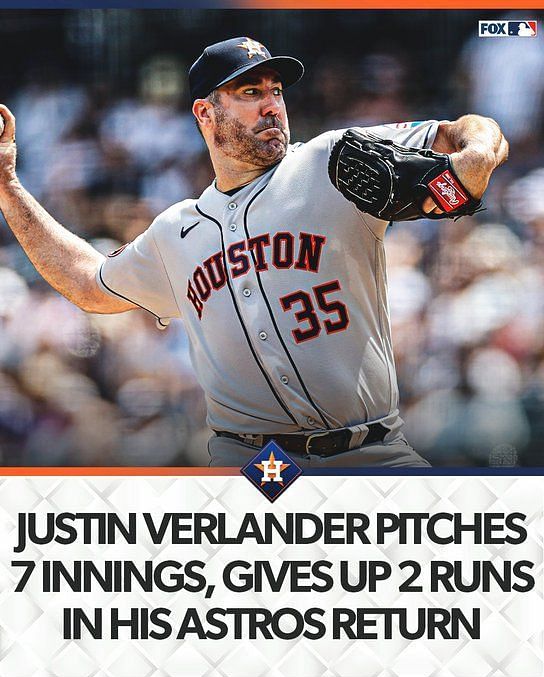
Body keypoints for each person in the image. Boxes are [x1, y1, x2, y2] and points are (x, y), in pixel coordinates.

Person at [0, 37, 508, 467]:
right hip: (255, 469)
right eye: (250, 92)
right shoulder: (176, 231)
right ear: (205, 112)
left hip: (372, 453)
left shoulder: (330, 159)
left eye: (277, 90)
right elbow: (88, 283)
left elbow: (458, 132)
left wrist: (479, 152)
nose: (272, 104)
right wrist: (8, 186)